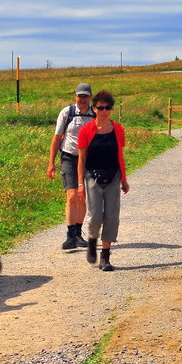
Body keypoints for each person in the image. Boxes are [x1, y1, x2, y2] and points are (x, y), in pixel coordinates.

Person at [77, 90, 129, 272]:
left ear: (111, 109)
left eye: (107, 108)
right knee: (95, 216)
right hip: (92, 176)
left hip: (113, 176)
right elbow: (81, 159)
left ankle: (105, 257)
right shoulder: (86, 131)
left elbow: (119, 155)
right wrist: (80, 184)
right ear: (94, 108)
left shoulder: (118, 129)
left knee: (112, 216)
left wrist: (124, 179)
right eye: (100, 108)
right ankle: (92, 241)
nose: (104, 111)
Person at [47, 83, 97, 250]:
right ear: (75, 96)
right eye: (79, 96)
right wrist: (51, 163)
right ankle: (70, 235)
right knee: (72, 195)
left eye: (85, 96)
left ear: (90, 97)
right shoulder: (67, 112)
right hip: (69, 157)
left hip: (88, 160)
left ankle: (77, 233)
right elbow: (57, 138)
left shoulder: (95, 115)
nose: (82, 99)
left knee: (82, 197)